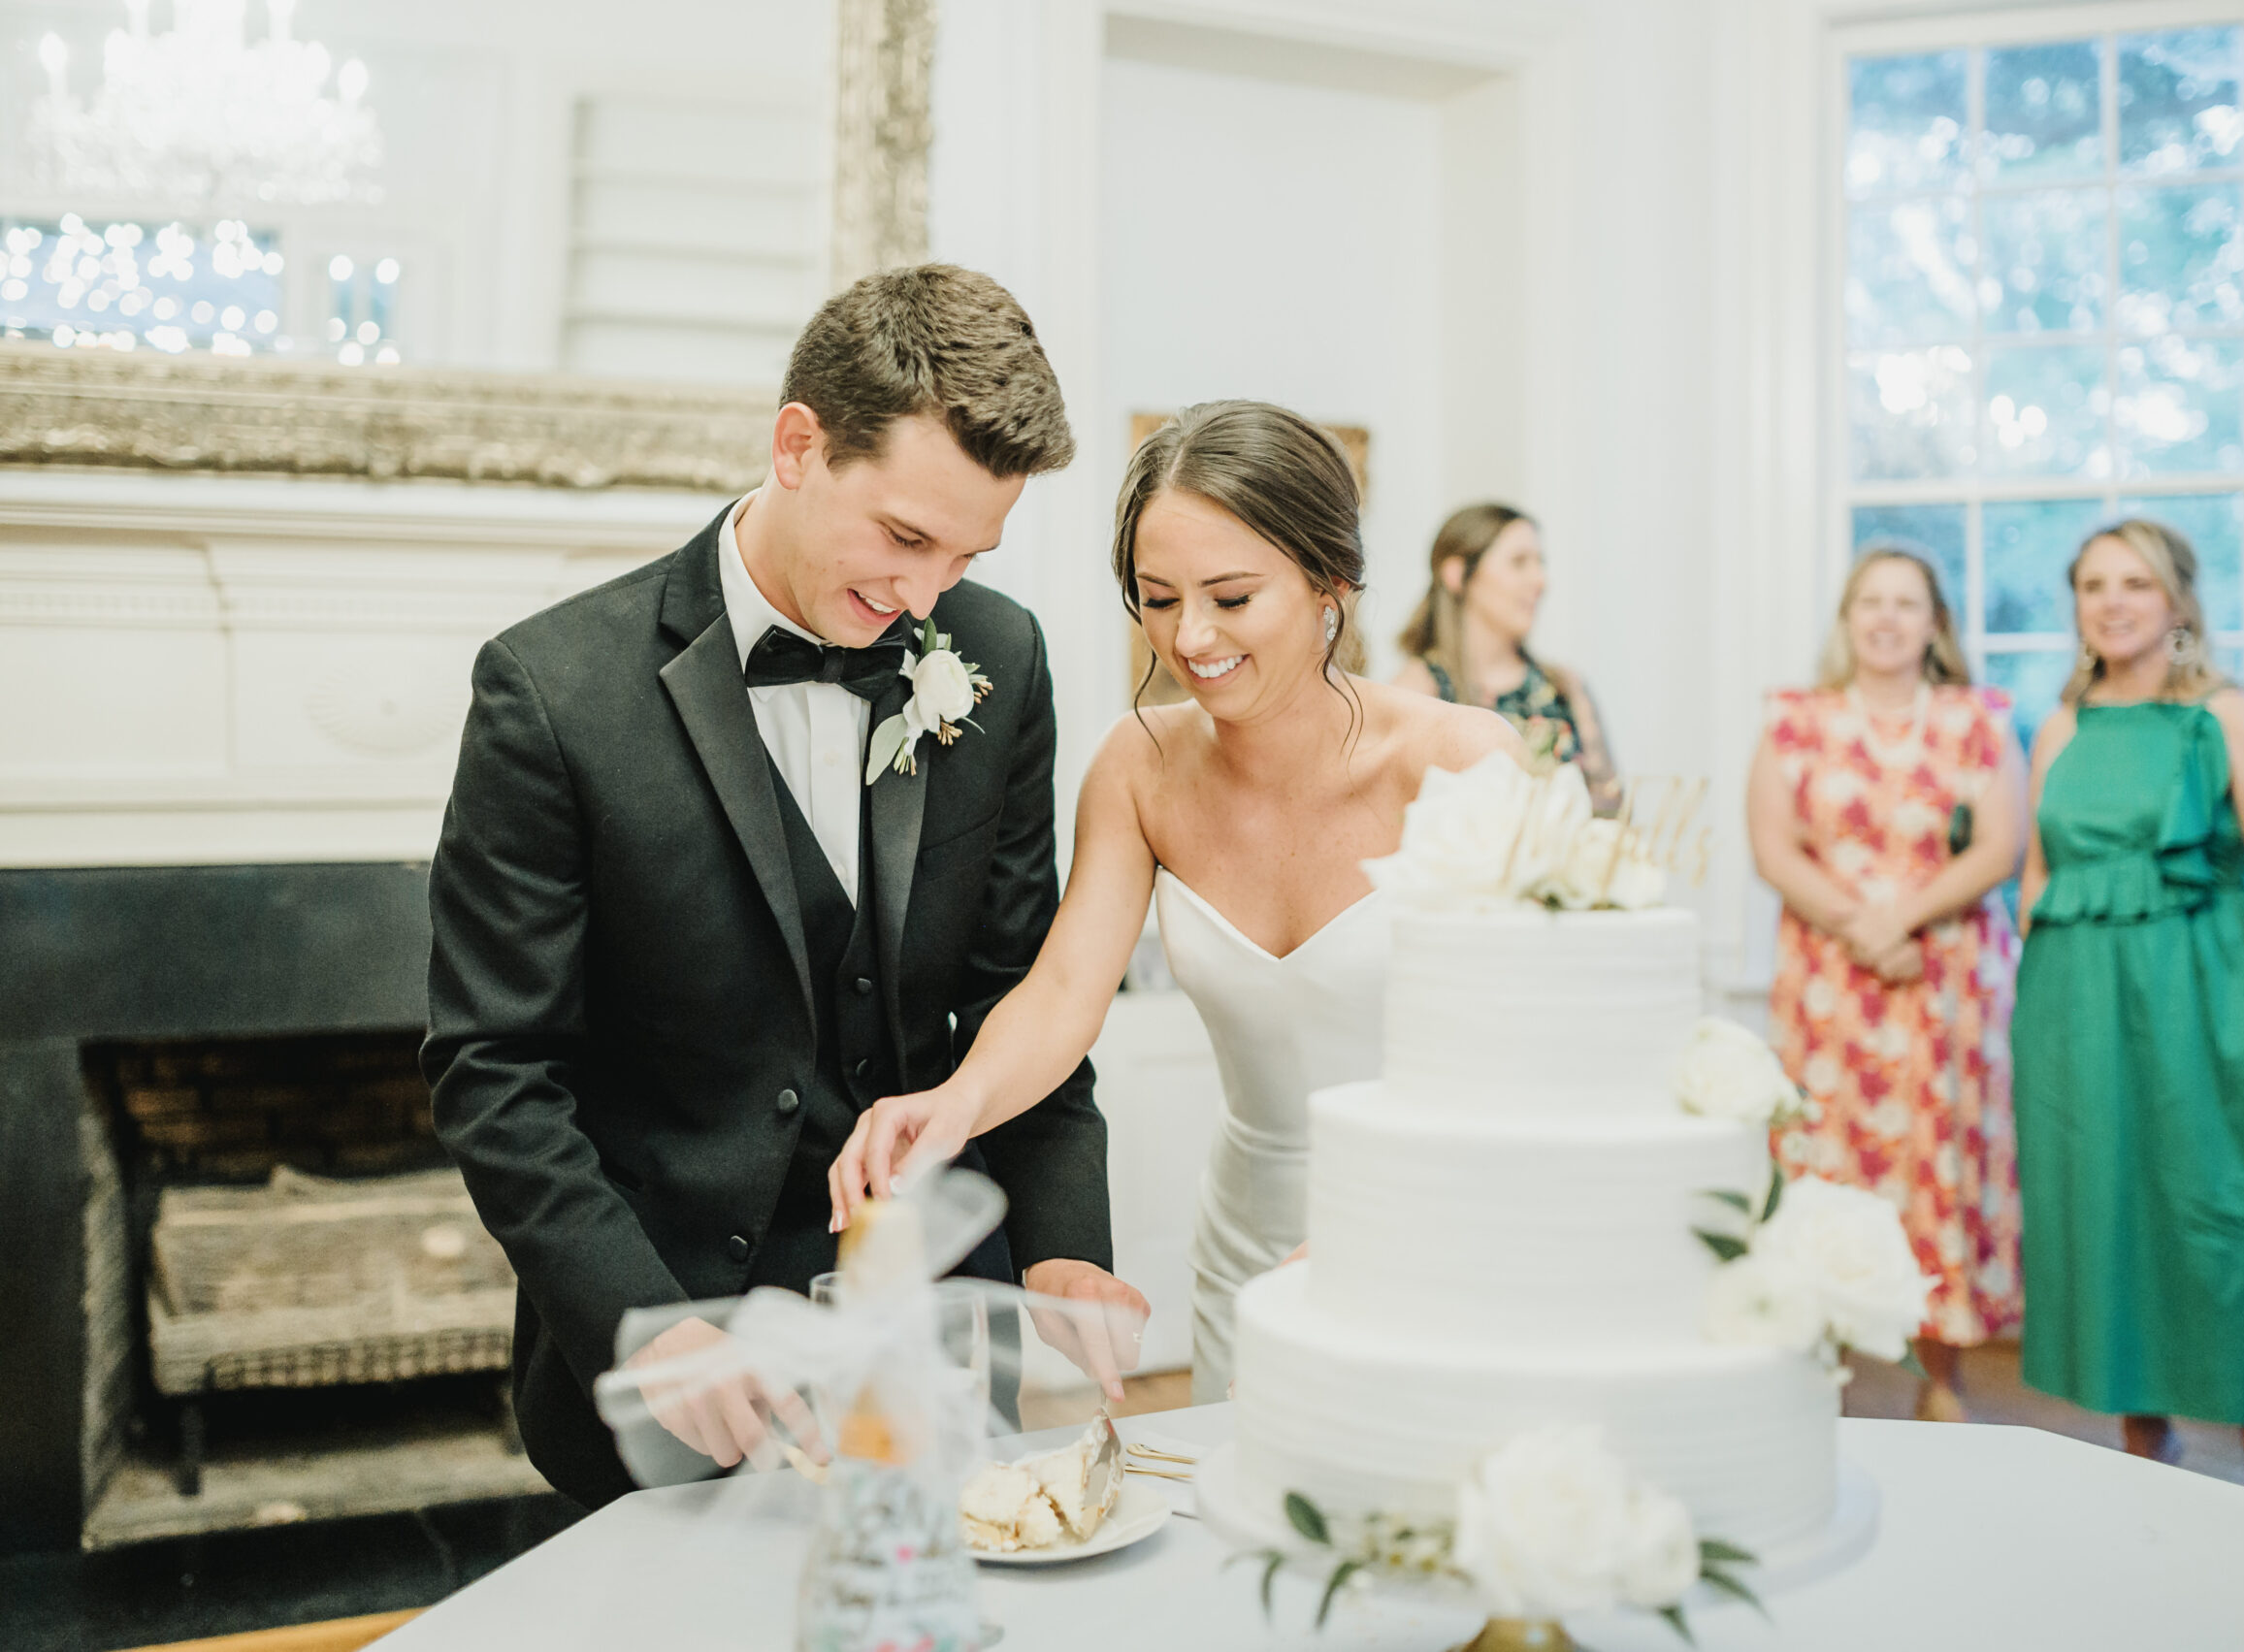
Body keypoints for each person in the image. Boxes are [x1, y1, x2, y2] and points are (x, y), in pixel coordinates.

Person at [423, 266, 1149, 1508]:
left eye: (967, 552)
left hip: (933, 1354)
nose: (924, 599)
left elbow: (1017, 998)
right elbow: (495, 1068)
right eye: (905, 537)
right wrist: (645, 1321)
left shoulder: (1000, 655)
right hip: (675, 1361)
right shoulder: (552, 693)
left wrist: (1068, 1245)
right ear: (797, 443)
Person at [827, 402, 1518, 1399]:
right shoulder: (1138, 763)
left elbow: (1519, 1058)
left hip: (1448, 1221)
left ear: (1330, 585)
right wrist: (953, 1103)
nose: (1190, 636)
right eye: (1157, 598)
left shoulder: (1464, 762)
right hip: (1251, 1233)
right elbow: (1066, 986)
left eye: (1232, 597)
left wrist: (1385, 1226)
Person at [2015, 519, 2244, 1494]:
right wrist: (2046, 996)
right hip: (2074, 1009)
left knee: (2223, 1202)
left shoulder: (2228, 716)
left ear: (2177, 601)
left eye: (2135, 583)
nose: (2111, 601)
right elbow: (2036, 870)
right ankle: (2139, 1430)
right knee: (2106, 1209)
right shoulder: (2063, 725)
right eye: (2093, 583)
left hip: (2195, 996)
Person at [1747, 546, 2025, 1423]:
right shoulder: (1795, 720)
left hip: (1944, 984)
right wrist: (1861, 929)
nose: (1887, 617)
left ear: (1934, 621)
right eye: (1871, 601)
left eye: (1907, 603)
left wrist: (1898, 922)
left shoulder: (1978, 719)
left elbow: (1999, 846)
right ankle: (1811, 1376)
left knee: (1936, 1168)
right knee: (1825, 1172)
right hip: (1831, 988)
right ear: (1847, 618)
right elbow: (1774, 847)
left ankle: (1942, 1381)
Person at [1395, 503, 1621, 811]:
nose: (1540, 580)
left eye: (1540, 563)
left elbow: (1612, 811)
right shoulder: (1418, 692)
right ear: (1458, 575)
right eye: (1518, 563)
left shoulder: (1565, 687)